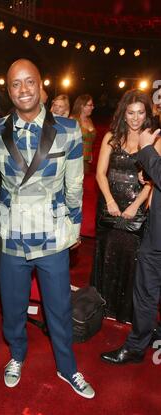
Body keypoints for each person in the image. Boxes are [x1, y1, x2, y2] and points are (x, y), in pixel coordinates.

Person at [0, 58, 95, 399]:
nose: (23, 89)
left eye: (29, 82)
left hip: (52, 234)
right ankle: (17, 355)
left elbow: (75, 185)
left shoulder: (68, 129)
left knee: (59, 308)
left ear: (41, 86)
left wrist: (73, 230)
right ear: (8, 90)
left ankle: (67, 367)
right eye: (15, 84)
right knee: (12, 307)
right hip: (11, 234)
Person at [91, 89, 157, 323]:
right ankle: (103, 307)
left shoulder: (153, 141)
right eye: (131, 112)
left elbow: (153, 181)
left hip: (136, 210)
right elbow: (100, 173)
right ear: (124, 113)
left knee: (131, 259)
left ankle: (125, 312)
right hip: (109, 205)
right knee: (106, 255)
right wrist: (109, 200)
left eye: (140, 113)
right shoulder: (112, 136)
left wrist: (135, 207)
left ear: (147, 114)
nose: (136, 118)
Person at [101, 126, 161, 364]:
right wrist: (149, 174)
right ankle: (141, 340)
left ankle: (137, 347)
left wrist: (146, 149)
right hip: (155, 228)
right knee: (146, 290)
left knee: (146, 291)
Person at [71, 94, 96, 171]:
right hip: (75, 159)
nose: (93, 107)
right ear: (82, 106)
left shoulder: (89, 120)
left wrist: (90, 154)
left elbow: (90, 140)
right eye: (90, 105)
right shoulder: (73, 120)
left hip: (86, 159)